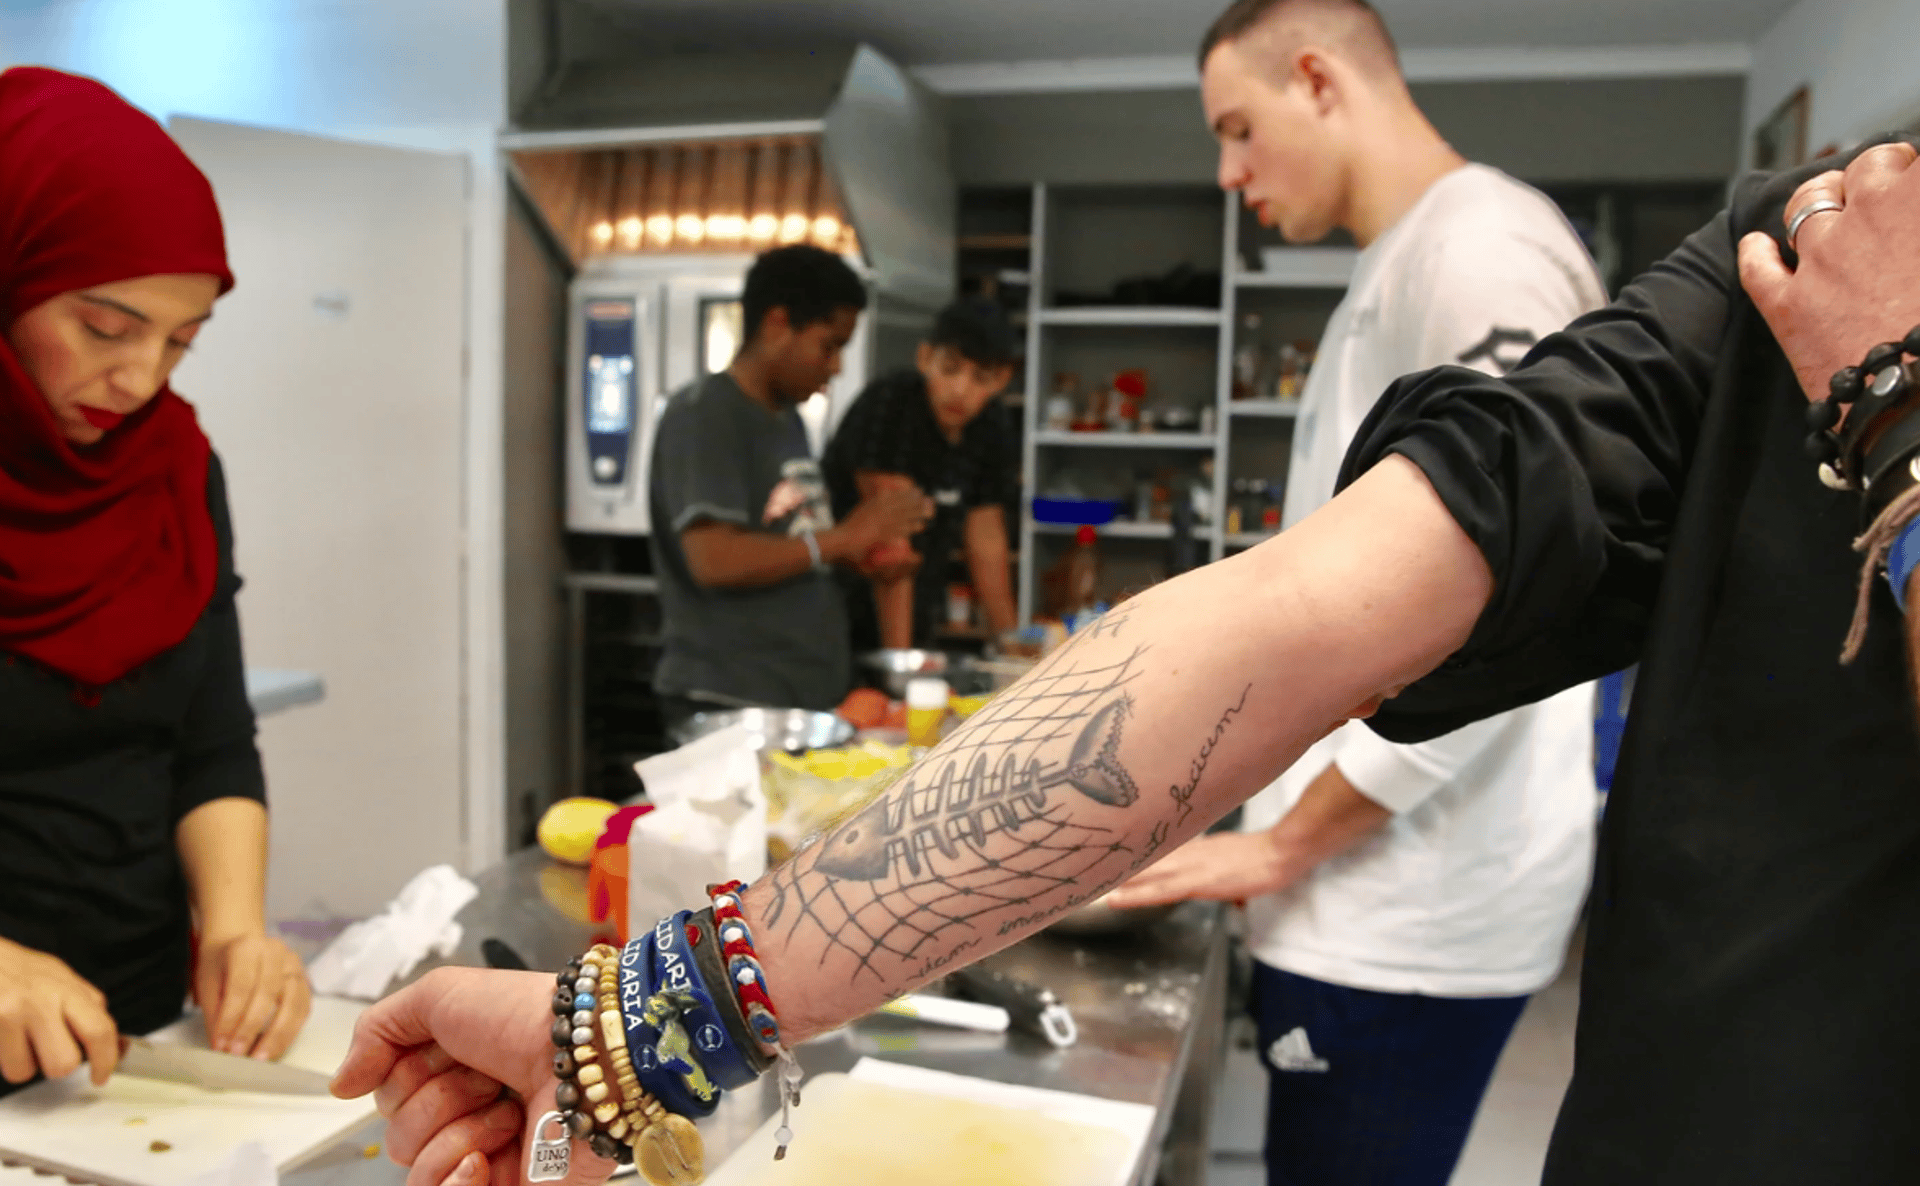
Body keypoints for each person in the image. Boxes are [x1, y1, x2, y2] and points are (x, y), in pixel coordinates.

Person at [334, 67, 1920, 1186]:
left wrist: (1901, 419)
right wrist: (637, 1022)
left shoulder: (1801, 299)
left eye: (1233, 125)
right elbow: (1295, 622)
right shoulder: (1815, 242)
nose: (1228, 171)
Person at [1102, 4, 1603, 1180]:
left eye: (1237, 128)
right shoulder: (1399, 265)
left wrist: (1281, 849)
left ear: (1318, 80)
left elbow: (1522, 604)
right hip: (1363, 892)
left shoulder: (1478, 251)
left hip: (1406, 910)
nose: (1228, 173)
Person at [0, 66, 311, 1090]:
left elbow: (211, 739)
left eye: (179, 341)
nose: (139, 382)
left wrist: (233, 932)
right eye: (104, 328)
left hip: (133, 1039)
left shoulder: (173, 468)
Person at [647, 245, 930, 727]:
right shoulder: (704, 414)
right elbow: (713, 559)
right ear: (778, 324)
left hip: (797, 699)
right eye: (829, 344)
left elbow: (792, 545)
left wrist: (859, 560)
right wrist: (845, 538)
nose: (836, 366)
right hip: (730, 702)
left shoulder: (788, 423)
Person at [821, 298, 1022, 651]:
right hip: (836, 608)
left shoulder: (992, 424)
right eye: (950, 369)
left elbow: (987, 536)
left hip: (917, 610)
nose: (960, 390)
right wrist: (900, 669)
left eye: (981, 378)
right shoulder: (891, 402)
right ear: (924, 357)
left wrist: (1013, 649)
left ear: (1002, 379)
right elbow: (892, 546)